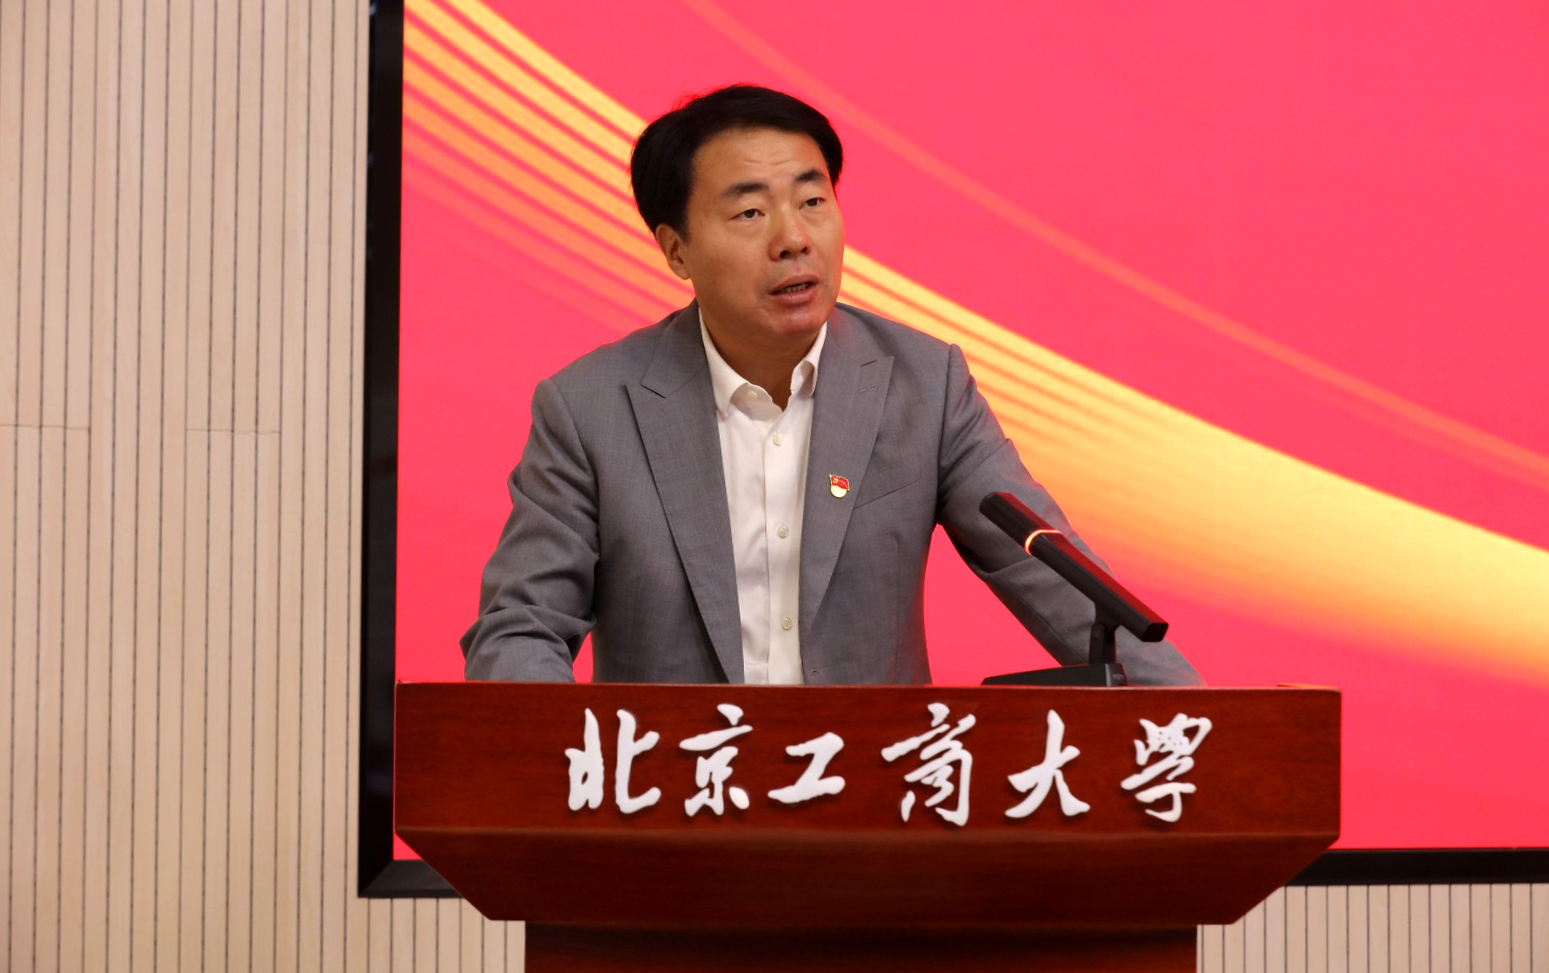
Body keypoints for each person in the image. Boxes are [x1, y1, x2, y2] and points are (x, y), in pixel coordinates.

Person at [461, 85, 1200, 686]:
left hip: (873, 802)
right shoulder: (590, 408)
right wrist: (560, 772)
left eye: (812, 202)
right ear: (676, 249)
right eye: (750, 212)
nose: (794, 239)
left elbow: (1055, 581)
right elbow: (520, 628)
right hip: (673, 802)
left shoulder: (924, 385)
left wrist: (1205, 731)